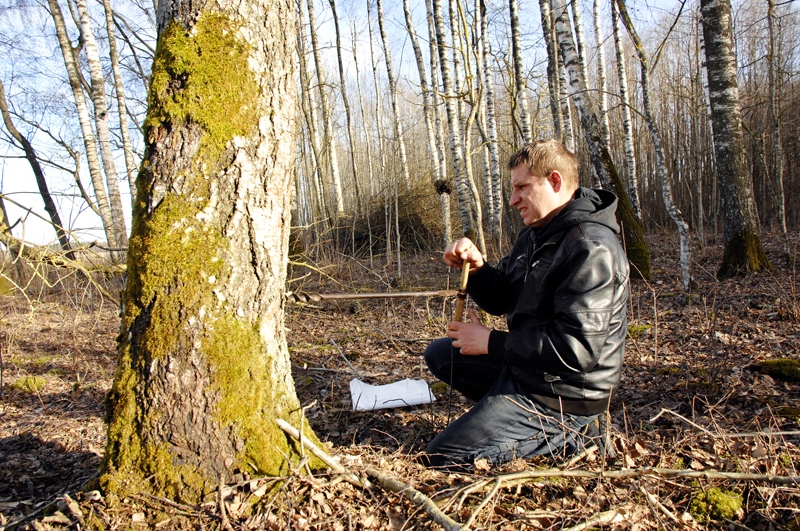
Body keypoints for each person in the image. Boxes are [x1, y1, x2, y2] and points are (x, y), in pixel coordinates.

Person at [423, 139, 629, 469]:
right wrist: (476, 268)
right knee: (441, 353)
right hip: (530, 373)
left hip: (565, 398)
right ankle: (504, 414)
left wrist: (490, 342)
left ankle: (576, 435)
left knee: (442, 456)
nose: (513, 199)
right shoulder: (536, 233)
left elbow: (576, 351)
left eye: (522, 187)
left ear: (555, 181)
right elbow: (502, 296)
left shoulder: (591, 249)